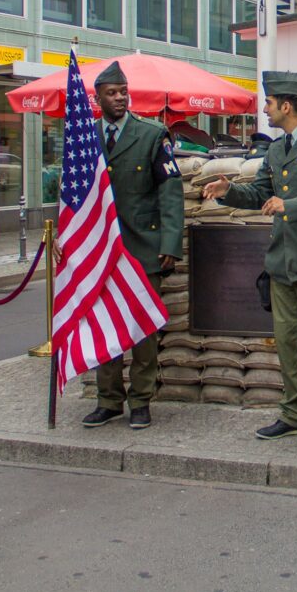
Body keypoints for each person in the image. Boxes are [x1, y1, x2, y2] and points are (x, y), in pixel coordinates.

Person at [202, 71, 297, 451]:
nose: (265, 110)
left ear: (286, 105)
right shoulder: (275, 149)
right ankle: (292, 414)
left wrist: (292, 206)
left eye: (269, 103)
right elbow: (260, 194)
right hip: (281, 263)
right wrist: (228, 190)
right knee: (287, 343)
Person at [81, 61, 185, 431]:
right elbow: (73, 195)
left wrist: (170, 242)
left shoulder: (152, 135)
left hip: (143, 247)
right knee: (105, 326)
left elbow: (170, 191)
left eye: (124, 92)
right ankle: (108, 399)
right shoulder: (85, 137)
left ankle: (140, 401)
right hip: (101, 250)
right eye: (112, 93)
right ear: (98, 99)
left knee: (143, 331)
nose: (120, 98)